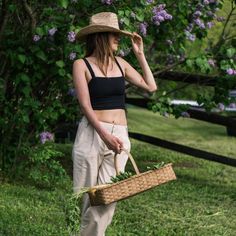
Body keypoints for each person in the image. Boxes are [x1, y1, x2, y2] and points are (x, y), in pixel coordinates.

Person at [72, 12, 157, 236]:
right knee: (86, 197)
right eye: (114, 35)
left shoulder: (121, 63)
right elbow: (85, 105)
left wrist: (140, 55)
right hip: (92, 133)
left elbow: (151, 86)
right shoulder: (81, 65)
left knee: (109, 197)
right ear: (101, 36)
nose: (118, 39)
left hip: (120, 135)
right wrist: (104, 136)